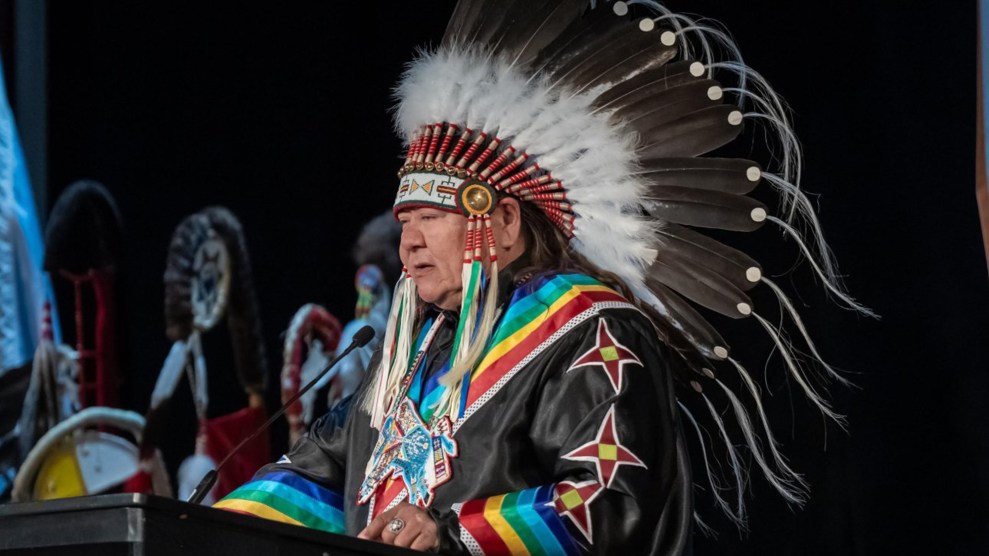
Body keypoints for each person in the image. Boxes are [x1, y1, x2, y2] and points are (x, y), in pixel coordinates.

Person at [216, 1, 872, 554]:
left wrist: (449, 533)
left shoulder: (585, 328)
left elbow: (610, 498)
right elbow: (318, 477)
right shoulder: (412, 353)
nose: (407, 240)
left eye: (428, 218)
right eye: (403, 219)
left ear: (501, 222)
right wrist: (194, 528)